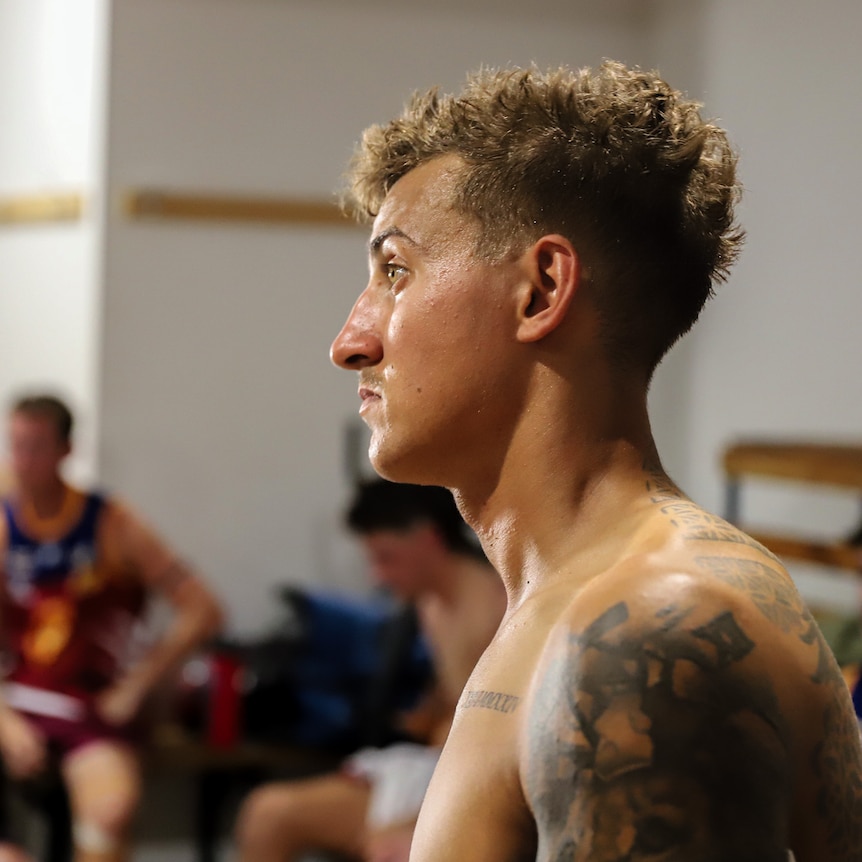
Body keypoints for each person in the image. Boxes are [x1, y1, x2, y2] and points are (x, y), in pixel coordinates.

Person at [329, 60, 862, 862]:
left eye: (395, 272)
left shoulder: (644, 631)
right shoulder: (577, 602)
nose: (349, 343)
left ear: (542, 290)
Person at [0, 394, 224, 862]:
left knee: (110, 812)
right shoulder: (4, 519)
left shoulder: (111, 522)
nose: (22, 460)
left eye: (35, 447)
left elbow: (203, 609)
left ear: (66, 450)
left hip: (88, 705)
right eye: (15, 445)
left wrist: (139, 684)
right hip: (17, 700)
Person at [233, 478, 505, 862]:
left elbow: (503, 734)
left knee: (387, 850)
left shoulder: (497, 601)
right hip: (435, 770)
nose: (378, 576)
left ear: (428, 538)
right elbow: (454, 700)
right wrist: (428, 715)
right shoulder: (430, 606)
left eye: (385, 557)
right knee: (267, 813)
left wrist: (409, 823)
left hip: (482, 786)